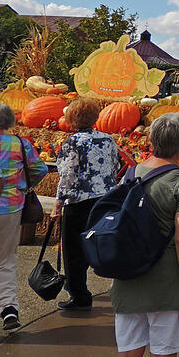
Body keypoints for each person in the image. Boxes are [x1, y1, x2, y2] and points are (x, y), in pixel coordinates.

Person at [111, 112, 179, 357]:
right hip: (166, 279)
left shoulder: (131, 173)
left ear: (151, 140)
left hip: (129, 273)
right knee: (163, 354)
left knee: (128, 352)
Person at [51, 98, 121, 311]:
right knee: (103, 244)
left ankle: (80, 295)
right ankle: (118, 288)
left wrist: (58, 202)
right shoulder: (108, 139)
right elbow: (116, 165)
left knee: (74, 251)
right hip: (105, 200)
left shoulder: (73, 142)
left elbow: (67, 174)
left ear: (72, 118)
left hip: (79, 200)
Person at [0, 103, 47, 331]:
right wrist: (23, 185)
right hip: (10, 208)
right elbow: (40, 169)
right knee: (3, 261)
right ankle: (8, 309)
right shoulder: (20, 144)